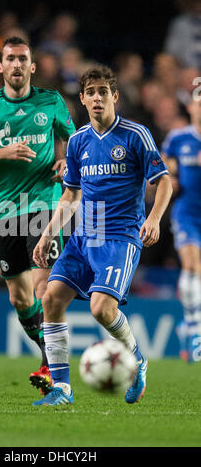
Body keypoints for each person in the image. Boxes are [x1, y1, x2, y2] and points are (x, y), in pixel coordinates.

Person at [32, 65, 172, 406]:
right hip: (84, 236)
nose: (97, 98)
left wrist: (153, 219)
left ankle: (136, 359)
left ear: (114, 96)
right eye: (91, 92)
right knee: (50, 299)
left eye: (103, 92)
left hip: (121, 236)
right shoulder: (78, 141)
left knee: (100, 308)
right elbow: (70, 196)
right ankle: (62, 389)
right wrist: (48, 234)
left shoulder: (136, 135)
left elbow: (163, 181)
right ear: (82, 99)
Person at [0, 36, 76, 394]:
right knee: (19, 298)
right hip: (6, 210)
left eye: (22, 59)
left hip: (45, 204)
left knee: (44, 289)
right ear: (0, 67)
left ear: (32, 66)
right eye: (9, 58)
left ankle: (52, 371)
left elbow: (75, 142)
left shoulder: (51, 101)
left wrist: (64, 162)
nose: (15, 64)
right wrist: (2, 152)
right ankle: (47, 354)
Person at [161, 96, 201, 363]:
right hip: (187, 211)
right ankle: (195, 328)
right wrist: (171, 174)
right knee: (191, 264)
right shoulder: (178, 138)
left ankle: (189, 326)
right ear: (190, 107)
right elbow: (163, 167)